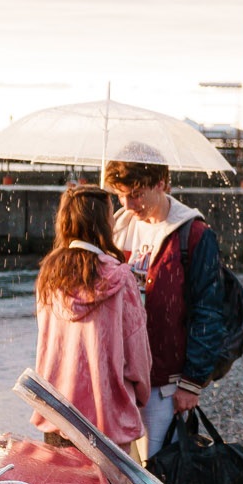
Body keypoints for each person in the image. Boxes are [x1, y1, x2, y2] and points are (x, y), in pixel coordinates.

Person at [102, 148, 234, 453]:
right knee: (114, 474)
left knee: (160, 471)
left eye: (135, 193)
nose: (127, 203)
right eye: (121, 195)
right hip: (118, 377)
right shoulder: (116, 229)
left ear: (161, 183)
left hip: (165, 381)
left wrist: (192, 382)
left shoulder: (194, 235)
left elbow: (207, 311)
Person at [30, 185, 152, 456]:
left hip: (58, 413)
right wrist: (140, 395)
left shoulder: (48, 276)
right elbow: (137, 356)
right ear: (104, 223)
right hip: (107, 418)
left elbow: (47, 342)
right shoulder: (120, 278)